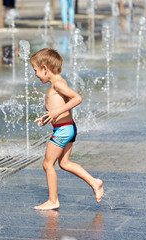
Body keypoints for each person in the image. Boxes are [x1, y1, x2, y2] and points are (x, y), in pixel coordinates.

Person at [30, 48, 104, 210]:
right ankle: (94, 182)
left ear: (45, 68)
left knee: (48, 164)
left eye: (35, 70)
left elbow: (77, 98)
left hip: (63, 130)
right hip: (67, 127)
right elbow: (59, 106)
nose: (35, 74)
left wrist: (56, 112)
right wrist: (49, 116)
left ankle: (53, 200)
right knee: (64, 163)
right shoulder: (57, 83)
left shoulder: (58, 84)